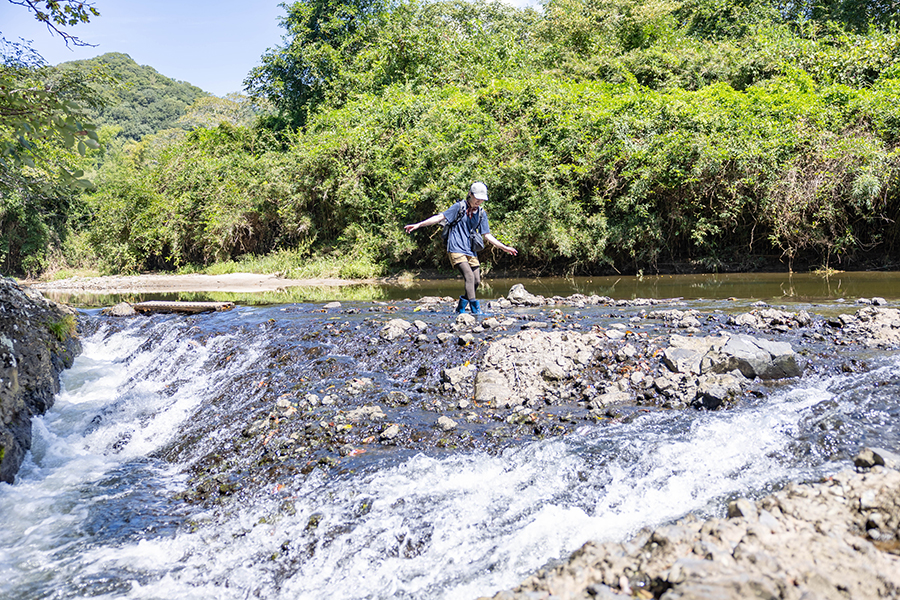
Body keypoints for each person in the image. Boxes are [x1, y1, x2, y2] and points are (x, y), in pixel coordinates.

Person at [404, 181, 517, 315]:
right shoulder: (459, 207)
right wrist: (418, 225)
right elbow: (439, 217)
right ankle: (476, 310)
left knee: (476, 280)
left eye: (482, 199)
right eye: (477, 198)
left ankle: (461, 306)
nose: (479, 201)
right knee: (469, 276)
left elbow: (487, 235)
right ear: (470, 194)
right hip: (456, 248)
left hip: (471, 250)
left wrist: (503, 247)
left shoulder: (481, 213)